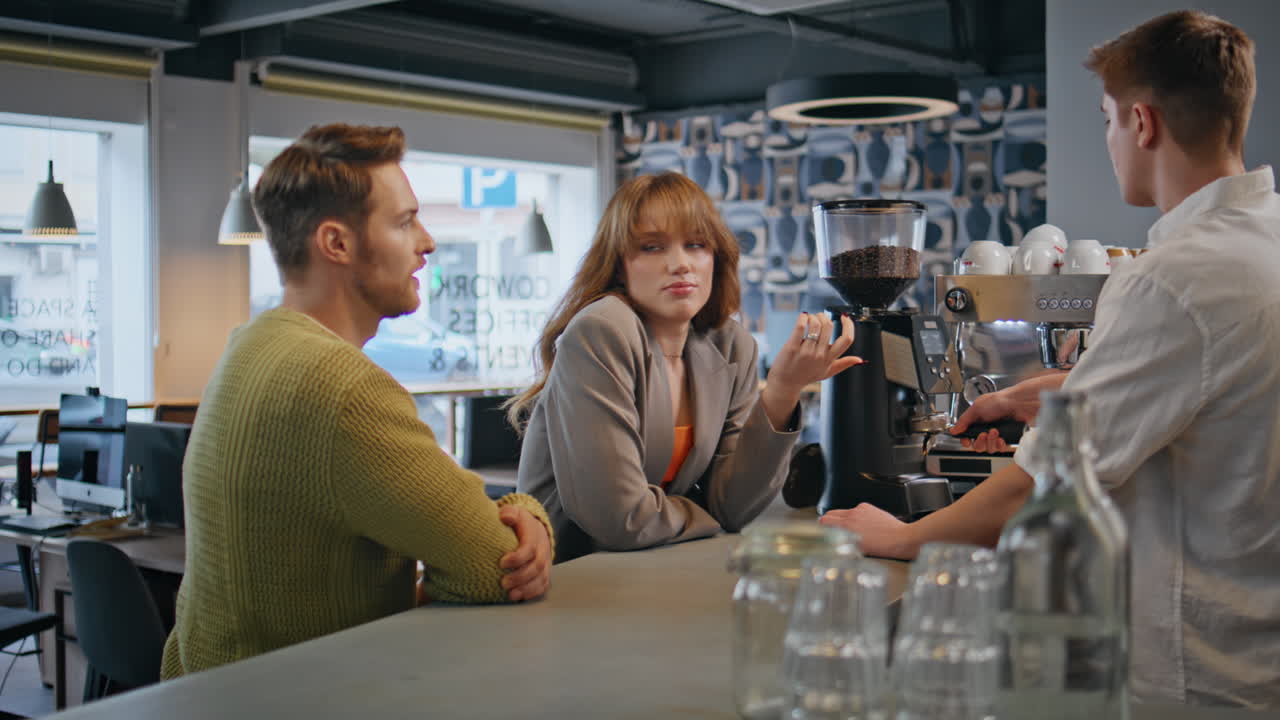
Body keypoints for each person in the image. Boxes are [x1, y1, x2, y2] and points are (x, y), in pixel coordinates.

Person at [822, 10, 1280, 708]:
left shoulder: (1172, 279)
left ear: (1142, 123)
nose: (1109, 141)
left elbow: (1037, 487)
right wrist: (1041, 393)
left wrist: (904, 536)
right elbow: (1207, 381)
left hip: (1195, 678)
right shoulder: (1261, 242)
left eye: (1107, 119)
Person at [161, 124, 553, 678]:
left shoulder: (248, 346)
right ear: (337, 244)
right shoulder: (341, 388)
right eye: (404, 221)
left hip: (213, 693)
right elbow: (494, 565)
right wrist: (530, 514)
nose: (427, 242)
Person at [511, 172, 861, 563]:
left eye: (696, 244)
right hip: (567, 573)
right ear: (619, 266)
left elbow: (737, 507)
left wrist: (783, 390)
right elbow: (619, 519)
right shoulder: (602, 329)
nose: (680, 264)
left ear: (715, 257)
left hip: (653, 567)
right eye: (651, 247)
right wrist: (706, 513)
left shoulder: (731, 345)